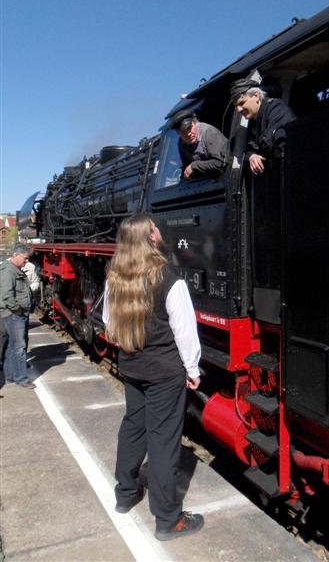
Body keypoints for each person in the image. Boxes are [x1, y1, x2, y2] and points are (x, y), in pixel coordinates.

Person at [102, 214, 204, 541]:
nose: (159, 231)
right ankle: (167, 519)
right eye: (154, 228)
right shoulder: (169, 278)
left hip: (131, 365)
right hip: (164, 372)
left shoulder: (115, 277)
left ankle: (126, 492)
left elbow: (109, 323)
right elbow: (184, 331)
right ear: (149, 237)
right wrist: (192, 368)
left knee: (133, 425)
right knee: (162, 439)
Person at [230, 77, 296, 175]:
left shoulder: (276, 108)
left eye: (242, 103)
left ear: (256, 96)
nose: (238, 109)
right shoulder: (251, 122)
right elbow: (246, 147)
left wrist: (258, 153)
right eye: (236, 106)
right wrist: (252, 156)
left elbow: (272, 145)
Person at [0, 243, 35, 389]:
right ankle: (21, 378)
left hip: (14, 313)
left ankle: (9, 376)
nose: (27, 261)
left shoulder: (14, 269)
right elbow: (7, 295)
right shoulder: (8, 271)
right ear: (16, 255)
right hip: (14, 314)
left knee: (12, 346)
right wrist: (18, 310)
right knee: (20, 347)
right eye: (25, 259)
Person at [170, 109, 229, 179]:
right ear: (179, 134)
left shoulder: (209, 133)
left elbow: (221, 162)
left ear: (195, 123)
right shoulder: (182, 144)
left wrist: (194, 166)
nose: (188, 133)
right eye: (183, 132)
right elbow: (186, 166)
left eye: (189, 128)